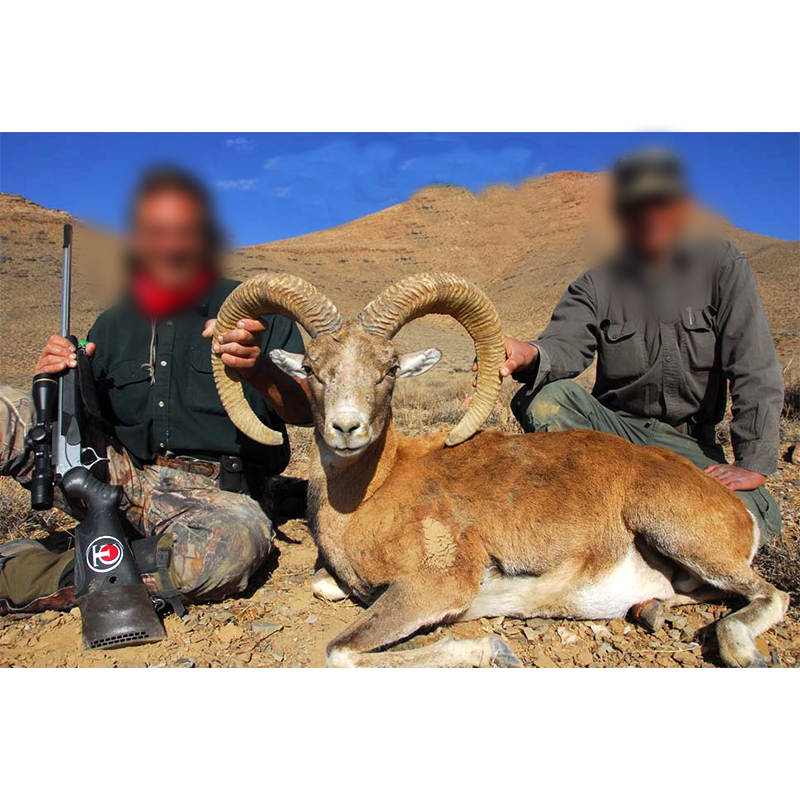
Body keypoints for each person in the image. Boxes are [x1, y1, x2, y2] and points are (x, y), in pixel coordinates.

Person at [0, 165, 310, 614]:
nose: (171, 245)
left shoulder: (261, 313)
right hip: (122, 480)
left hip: (218, 499)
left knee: (230, 550)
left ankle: (32, 573)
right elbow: (86, 420)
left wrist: (258, 370)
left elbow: (308, 410)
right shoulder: (112, 324)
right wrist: (53, 378)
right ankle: (124, 556)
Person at [501, 148, 783, 544]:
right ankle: (603, 525)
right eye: (637, 204)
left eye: (661, 201)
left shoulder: (722, 266)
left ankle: (620, 533)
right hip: (611, 441)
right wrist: (531, 354)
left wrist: (752, 460)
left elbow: (754, 365)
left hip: (686, 445)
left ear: (681, 206)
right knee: (545, 399)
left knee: (755, 521)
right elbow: (565, 345)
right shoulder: (595, 285)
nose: (650, 214)